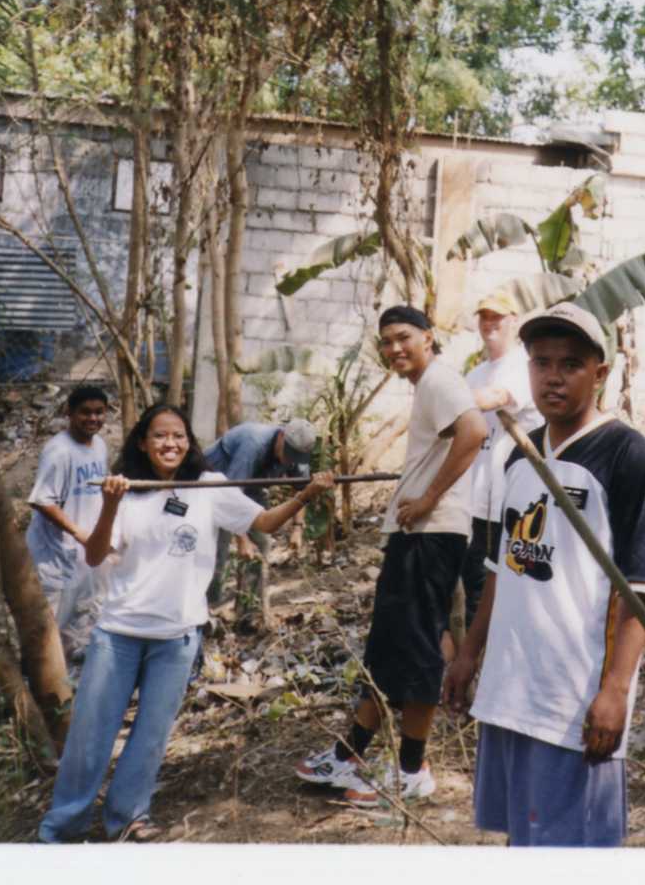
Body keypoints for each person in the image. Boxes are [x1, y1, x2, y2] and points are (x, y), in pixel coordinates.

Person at [38, 404, 333, 843]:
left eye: (178, 435)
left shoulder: (212, 486)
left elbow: (264, 521)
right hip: (118, 634)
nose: (170, 443)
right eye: (159, 435)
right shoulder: (127, 490)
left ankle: (129, 817)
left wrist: (305, 495)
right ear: (143, 442)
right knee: (90, 735)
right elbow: (97, 554)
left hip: (176, 639)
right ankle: (62, 827)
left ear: (189, 442)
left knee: (151, 735)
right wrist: (110, 505)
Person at [444, 302, 645, 847]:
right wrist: (471, 653)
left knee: (571, 852)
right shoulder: (519, 457)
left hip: (571, 700)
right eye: (541, 362)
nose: (553, 376)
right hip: (512, 690)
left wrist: (614, 691)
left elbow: (638, 591)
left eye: (570, 363)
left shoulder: (628, 458)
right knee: (526, 841)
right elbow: (502, 567)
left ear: (600, 372)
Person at [295, 306, 486, 805]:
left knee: (419, 649)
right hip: (414, 537)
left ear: (429, 337)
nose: (394, 348)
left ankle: (411, 769)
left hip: (432, 535)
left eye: (404, 337)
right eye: (386, 342)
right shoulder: (428, 385)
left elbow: (475, 433)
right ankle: (349, 754)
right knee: (388, 648)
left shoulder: (441, 379)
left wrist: (427, 500)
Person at [459, 289, 540, 631]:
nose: (489, 323)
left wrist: (449, 397)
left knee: (509, 584)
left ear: (514, 321)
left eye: (498, 316)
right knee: (475, 582)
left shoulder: (523, 366)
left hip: (513, 499)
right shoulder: (475, 374)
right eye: (484, 316)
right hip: (476, 499)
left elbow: (497, 398)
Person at [26, 385, 110, 660]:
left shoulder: (99, 446)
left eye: (99, 412)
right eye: (85, 412)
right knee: (49, 624)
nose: (93, 419)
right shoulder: (59, 451)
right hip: (55, 553)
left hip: (84, 551)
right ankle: (37, 684)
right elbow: (41, 499)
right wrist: (78, 533)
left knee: (82, 618)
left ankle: (70, 681)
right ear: (69, 413)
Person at [202, 418, 320, 604]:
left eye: (295, 457)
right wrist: (242, 539)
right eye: (288, 453)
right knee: (218, 550)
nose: (290, 460)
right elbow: (231, 496)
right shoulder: (253, 443)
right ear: (281, 435)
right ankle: (208, 609)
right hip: (214, 489)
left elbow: (301, 490)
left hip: (251, 488)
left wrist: (298, 528)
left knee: (262, 542)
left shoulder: (298, 454)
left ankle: (249, 611)